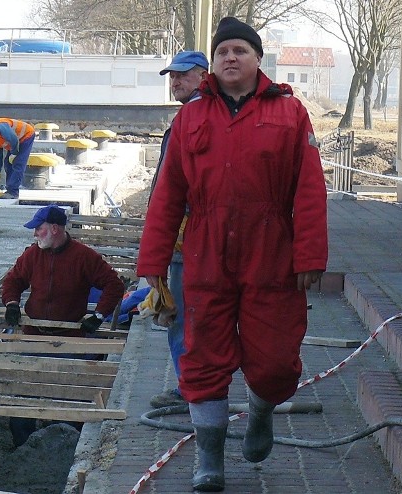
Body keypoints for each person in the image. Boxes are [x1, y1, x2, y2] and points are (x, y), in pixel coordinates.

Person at [136, 17, 328, 492]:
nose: (230, 58)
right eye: (223, 52)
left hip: (273, 250)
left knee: (277, 360)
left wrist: (310, 256)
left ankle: (261, 412)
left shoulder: (290, 113)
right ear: (214, 62)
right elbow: (167, 196)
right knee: (202, 356)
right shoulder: (191, 117)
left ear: (258, 59)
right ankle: (210, 459)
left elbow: (309, 191)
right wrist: (153, 266)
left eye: (241, 50)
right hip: (206, 252)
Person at [147, 51, 209, 409]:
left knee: (181, 315)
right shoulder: (190, 116)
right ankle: (193, 384)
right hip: (184, 236)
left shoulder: (193, 118)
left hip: (186, 238)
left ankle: (190, 388)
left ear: (203, 76)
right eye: (172, 76)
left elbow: (179, 187)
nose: (175, 82)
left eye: (183, 76)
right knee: (182, 314)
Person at [1, 204, 125, 338]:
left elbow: (114, 284)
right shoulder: (32, 254)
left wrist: (99, 316)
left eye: (38, 228)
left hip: (69, 335)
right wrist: (11, 303)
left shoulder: (83, 256)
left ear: (54, 229)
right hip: (34, 333)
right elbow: (14, 280)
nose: (35, 234)